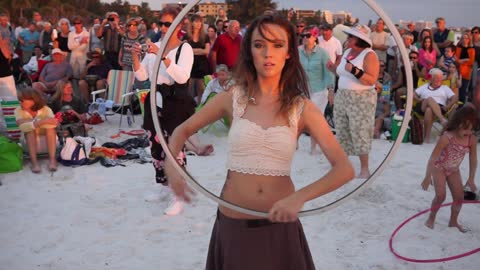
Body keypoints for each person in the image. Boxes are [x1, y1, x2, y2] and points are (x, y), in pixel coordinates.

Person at [164, 14, 354, 269]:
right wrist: (173, 167)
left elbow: (344, 169)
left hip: (279, 230)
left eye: (277, 45)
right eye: (259, 45)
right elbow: (181, 131)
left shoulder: (302, 108)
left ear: (289, 52)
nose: (268, 53)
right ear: (249, 50)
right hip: (233, 228)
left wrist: (300, 197)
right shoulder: (232, 98)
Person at [131, 6, 195, 216]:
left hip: (175, 102)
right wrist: (135, 58)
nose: (164, 27)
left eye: (169, 23)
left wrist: (164, 57)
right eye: (162, 23)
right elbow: (142, 77)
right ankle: (162, 184)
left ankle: (179, 194)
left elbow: (183, 77)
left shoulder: (184, 49)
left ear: (179, 25)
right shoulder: (155, 46)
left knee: (175, 148)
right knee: (156, 145)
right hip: (154, 99)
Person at [421, 106, 477, 233]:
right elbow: (433, 158)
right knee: (441, 196)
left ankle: (453, 222)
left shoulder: (471, 139)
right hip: (439, 168)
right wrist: (427, 176)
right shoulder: (447, 137)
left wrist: (471, 178)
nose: (468, 132)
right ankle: (431, 217)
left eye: (471, 129)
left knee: (459, 197)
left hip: (453, 170)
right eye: (464, 128)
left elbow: (473, 160)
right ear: (457, 124)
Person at [333, 24, 379, 179]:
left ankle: (365, 168)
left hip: (361, 99)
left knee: (360, 131)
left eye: (351, 37)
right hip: (342, 96)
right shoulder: (347, 52)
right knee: (342, 130)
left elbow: (371, 79)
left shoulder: (369, 55)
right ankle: (343, 166)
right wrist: (332, 68)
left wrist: (354, 70)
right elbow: (342, 73)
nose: (348, 39)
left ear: (359, 40)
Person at [298, 25, 334, 154]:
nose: (305, 38)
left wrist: (330, 91)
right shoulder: (298, 52)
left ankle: (313, 148)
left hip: (319, 90)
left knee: (315, 120)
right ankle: (296, 143)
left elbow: (329, 73)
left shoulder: (323, 53)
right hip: (302, 90)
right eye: (303, 36)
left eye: (308, 36)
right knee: (300, 119)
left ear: (315, 37)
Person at [15, 88, 59, 173]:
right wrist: (41, 121)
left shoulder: (46, 109)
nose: (20, 102)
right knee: (30, 131)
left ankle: (52, 160)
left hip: (49, 139)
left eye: (22, 100)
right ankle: (34, 163)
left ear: (32, 100)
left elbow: (54, 123)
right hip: (27, 141)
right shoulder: (18, 110)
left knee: (50, 129)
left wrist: (31, 122)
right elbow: (20, 123)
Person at [413, 68, 458, 143]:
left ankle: (426, 138)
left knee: (429, 110)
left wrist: (448, 106)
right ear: (431, 78)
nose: (439, 80)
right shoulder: (425, 86)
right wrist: (418, 99)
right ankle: (442, 119)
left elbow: (455, 98)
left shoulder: (445, 88)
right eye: (436, 78)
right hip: (422, 106)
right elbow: (413, 94)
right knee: (429, 99)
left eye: (440, 78)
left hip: (439, 108)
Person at [186, 14, 211, 105]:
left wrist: (192, 50)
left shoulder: (205, 36)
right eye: (196, 21)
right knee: (189, 89)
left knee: (201, 89)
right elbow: (185, 51)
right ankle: (189, 107)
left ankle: (200, 107)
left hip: (202, 66)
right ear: (192, 23)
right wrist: (200, 50)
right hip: (190, 66)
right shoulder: (187, 36)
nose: (198, 23)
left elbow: (207, 51)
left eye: (200, 21)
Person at [455, 31, 475, 104]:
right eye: (463, 38)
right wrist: (465, 60)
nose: (464, 40)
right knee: (456, 91)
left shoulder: (471, 49)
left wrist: (460, 61)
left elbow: (471, 62)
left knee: (463, 92)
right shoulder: (458, 48)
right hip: (457, 72)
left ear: (469, 39)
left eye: (466, 38)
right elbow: (456, 60)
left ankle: (461, 108)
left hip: (466, 73)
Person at [374, 60, 392, 139]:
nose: (380, 67)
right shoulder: (372, 76)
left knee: (380, 119)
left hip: (379, 114)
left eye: (382, 66)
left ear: (384, 67)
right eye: (378, 65)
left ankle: (376, 132)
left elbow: (387, 111)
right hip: (371, 113)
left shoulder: (387, 78)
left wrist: (381, 116)